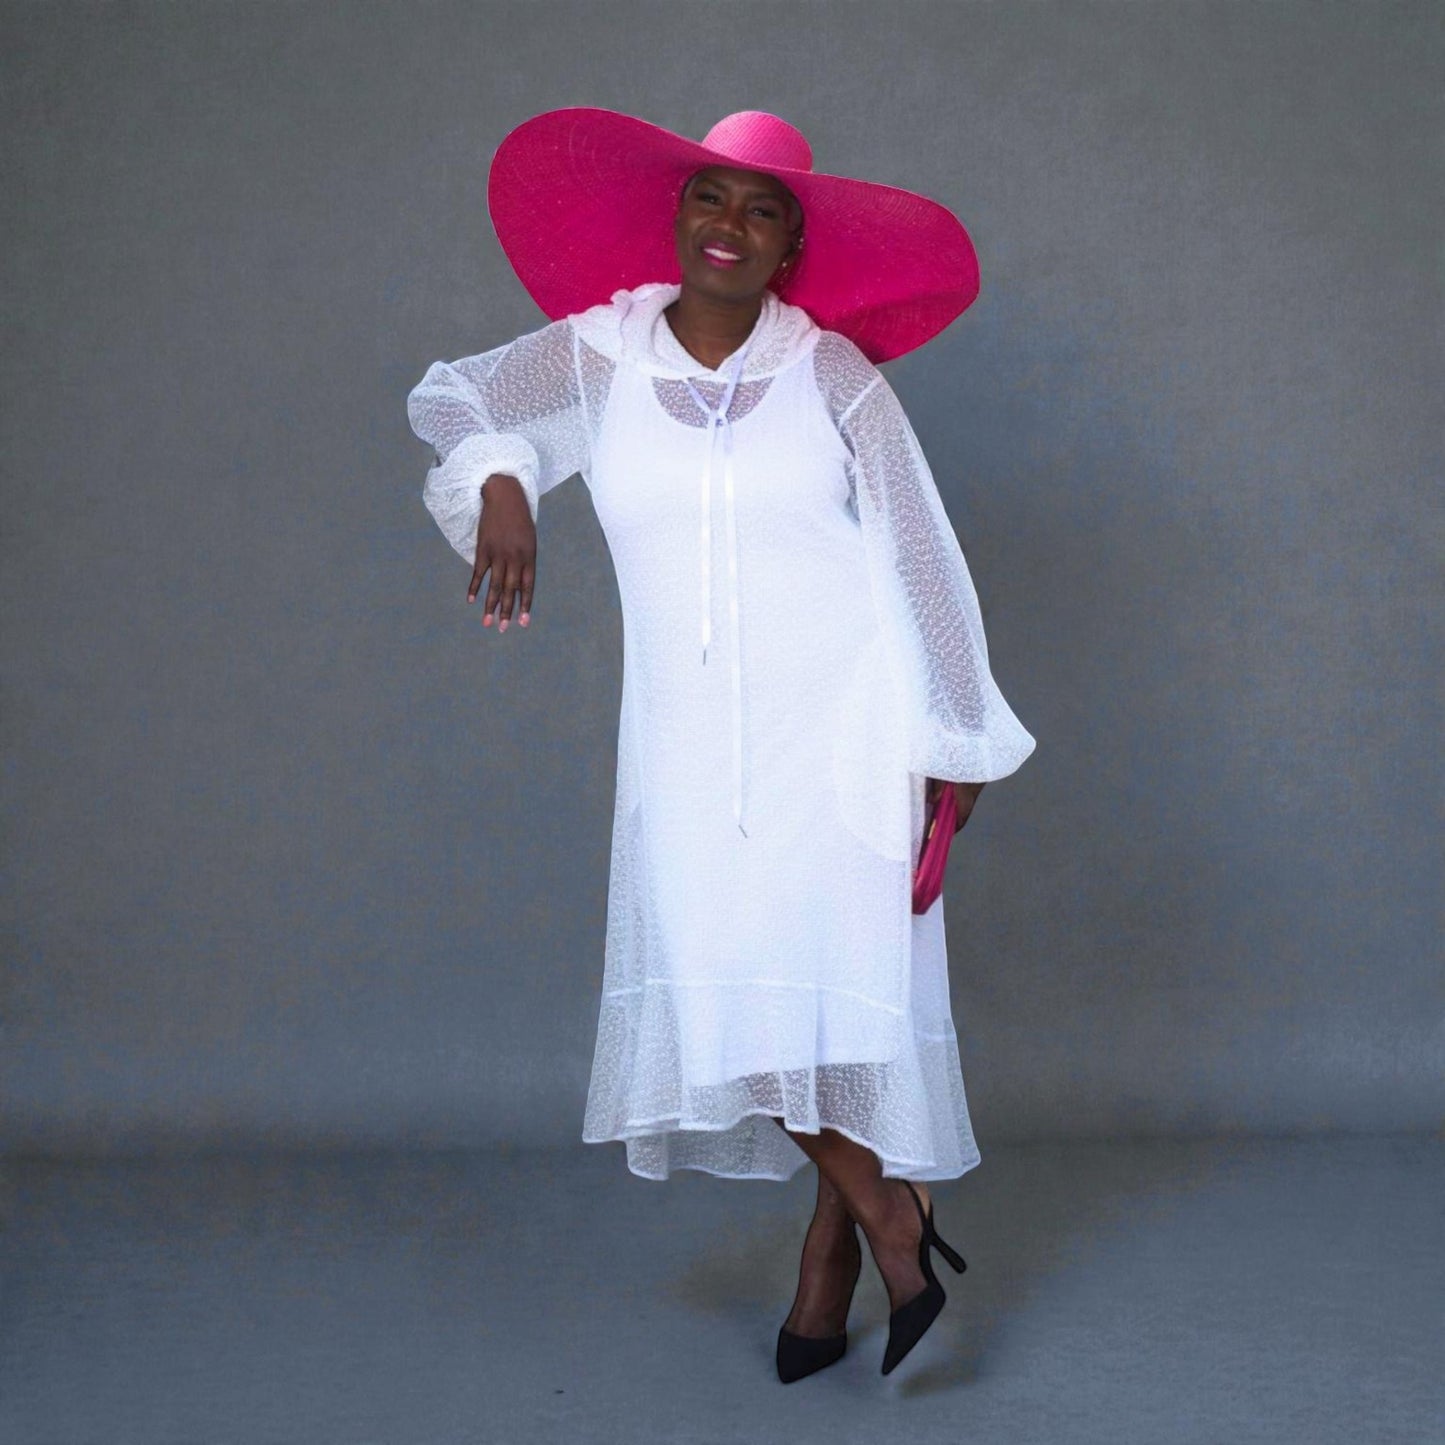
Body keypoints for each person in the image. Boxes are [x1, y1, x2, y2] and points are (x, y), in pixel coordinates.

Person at [406, 107, 1036, 1382]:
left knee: (824, 996)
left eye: (759, 212)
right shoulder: (599, 357)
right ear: (676, 219)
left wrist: (953, 731)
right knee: (727, 996)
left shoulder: (833, 377)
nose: (727, 229)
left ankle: (835, 1258)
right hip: (689, 748)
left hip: (841, 723)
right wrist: (506, 483)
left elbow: (917, 551)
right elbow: (457, 399)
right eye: (709, 202)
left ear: (789, 243)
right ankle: (886, 1214)